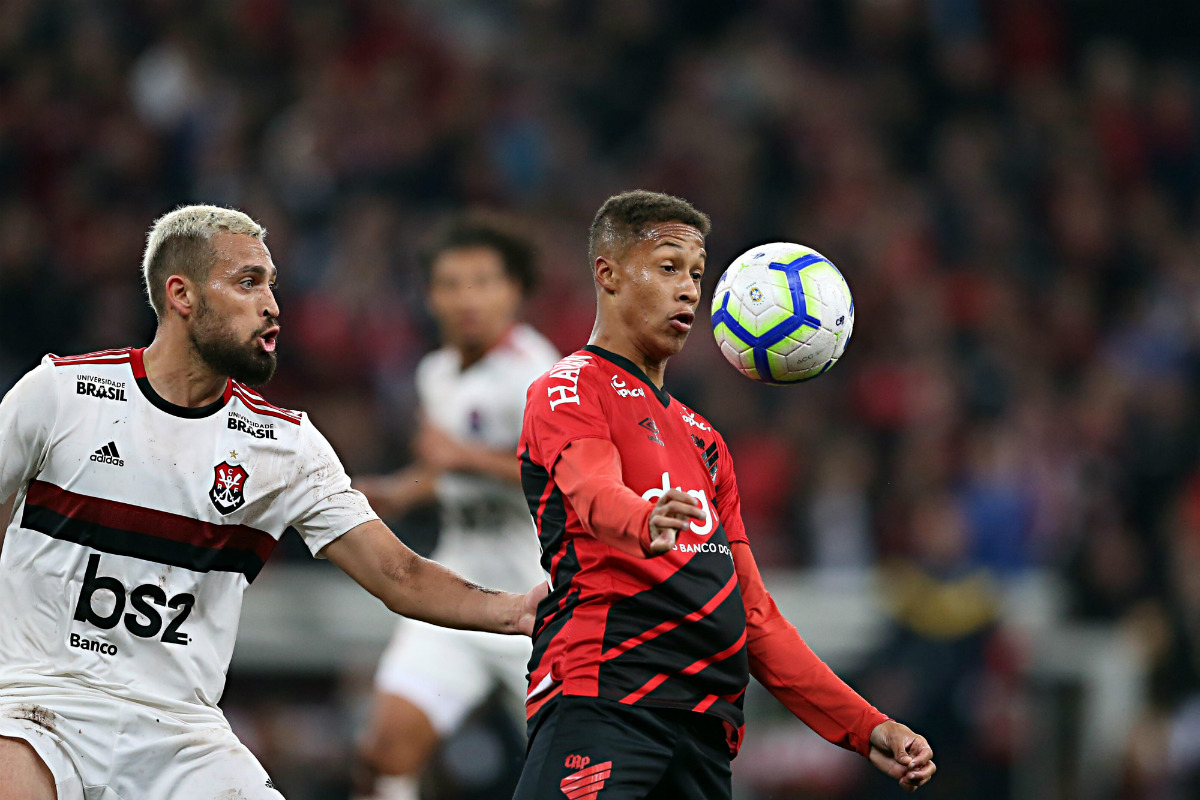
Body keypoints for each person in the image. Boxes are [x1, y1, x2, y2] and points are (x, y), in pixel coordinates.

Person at [0, 205, 544, 800]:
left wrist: (516, 610)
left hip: (179, 731)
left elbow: (399, 573)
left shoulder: (285, 446)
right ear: (181, 295)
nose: (272, 306)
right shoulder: (61, 395)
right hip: (38, 706)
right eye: (248, 283)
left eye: (271, 285)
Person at [512, 190, 937, 798]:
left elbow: (755, 615)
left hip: (706, 730)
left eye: (696, 274)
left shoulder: (704, 439)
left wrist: (867, 726)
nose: (689, 290)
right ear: (608, 275)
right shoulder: (571, 386)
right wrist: (641, 518)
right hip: (607, 701)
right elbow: (592, 491)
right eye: (668, 267)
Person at [352, 213, 559, 800]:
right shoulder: (435, 373)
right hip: (457, 597)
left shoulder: (540, 375)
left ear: (514, 290)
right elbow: (446, 473)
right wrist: (400, 490)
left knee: (582, 778)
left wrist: (463, 457)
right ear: (430, 295)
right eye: (451, 284)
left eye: (483, 282)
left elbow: (570, 475)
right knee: (384, 752)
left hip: (539, 605)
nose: (467, 298)